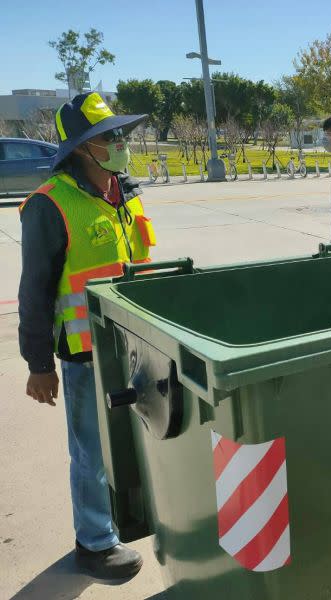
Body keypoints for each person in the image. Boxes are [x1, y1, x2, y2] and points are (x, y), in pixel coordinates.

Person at [18, 92, 154, 579]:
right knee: (91, 451)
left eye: (122, 134)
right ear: (80, 147)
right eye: (108, 137)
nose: (121, 144)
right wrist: (38, 365)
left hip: (138, 345)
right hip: (85, 352)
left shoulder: (125, 191)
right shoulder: (49, 205)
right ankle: (94, 543)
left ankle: (128, 517)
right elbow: (34, 291)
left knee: (138, 440)